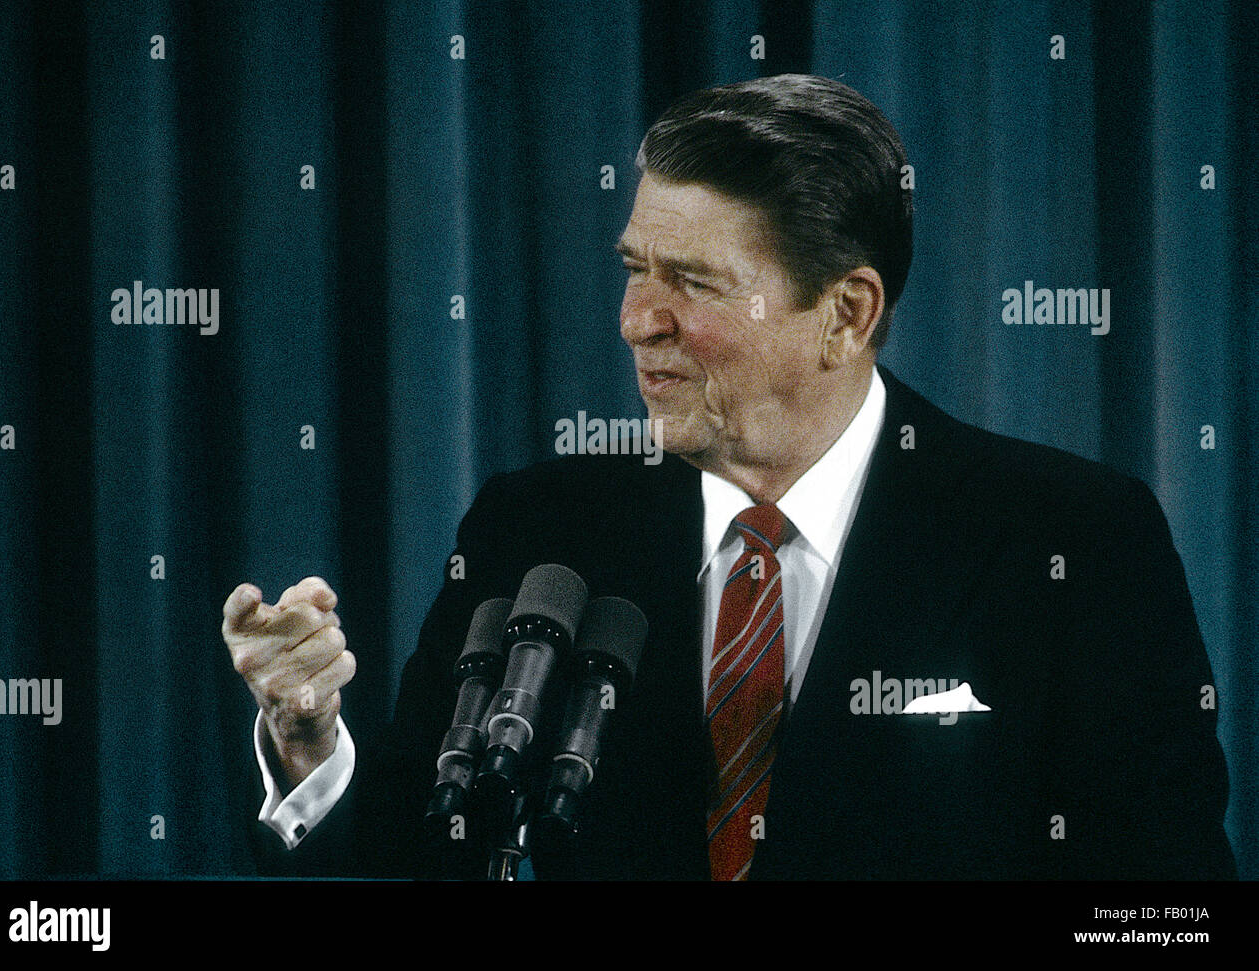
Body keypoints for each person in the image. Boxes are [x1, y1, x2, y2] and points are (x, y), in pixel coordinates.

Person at [221, 74, 1235, 880]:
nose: (635, 320)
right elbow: (420, 844)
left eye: (692, 282)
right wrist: (311, 741)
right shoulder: (538, 530)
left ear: (844, 313)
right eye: (633, 268)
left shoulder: (1072, 540)